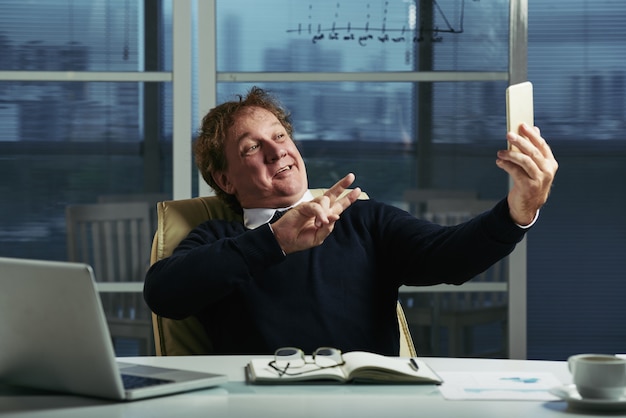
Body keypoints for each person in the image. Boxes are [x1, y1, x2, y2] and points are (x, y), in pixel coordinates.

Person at [144, 87, 558, 356]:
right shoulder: (218, 237)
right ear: (224, 179)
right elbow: (164, 294)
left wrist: (519, 210)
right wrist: (275, 241)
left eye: (281, 136)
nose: (277, 152)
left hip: (368, 403)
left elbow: (448, 258)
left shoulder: (362, 216)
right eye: (253, 147)